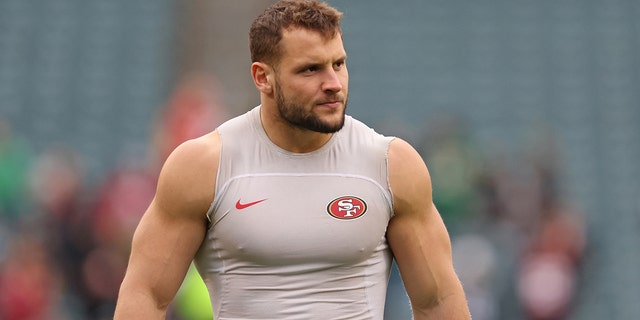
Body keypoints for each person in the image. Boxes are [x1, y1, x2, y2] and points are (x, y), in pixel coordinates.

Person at [114, 0, 470, 319]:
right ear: (262, 77)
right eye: (310, 69)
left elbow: (437, 301)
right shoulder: (204, 165)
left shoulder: (391, 164)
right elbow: (147, 294)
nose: (333, 83)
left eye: (339, 64)